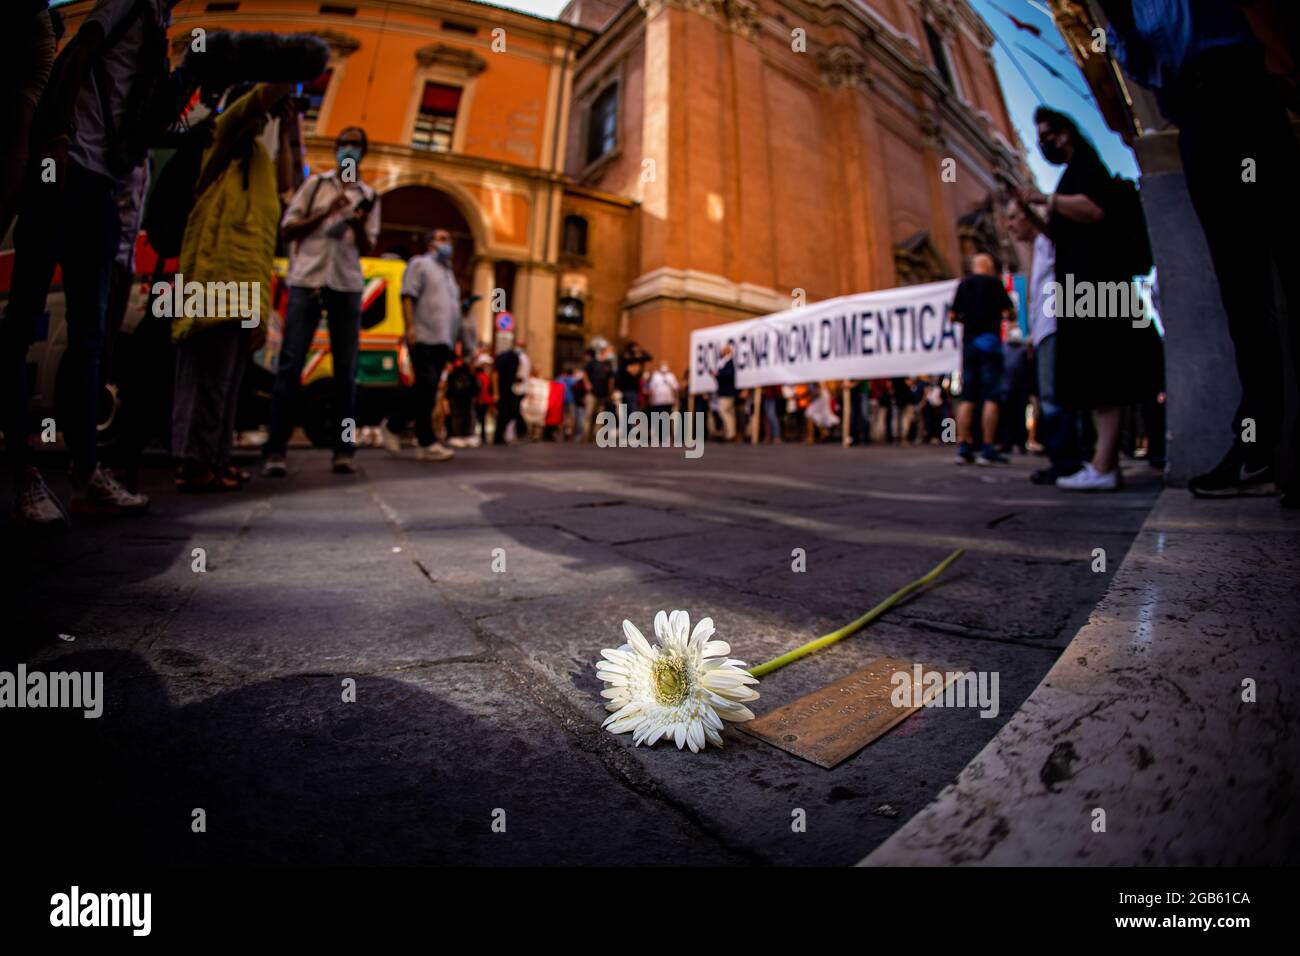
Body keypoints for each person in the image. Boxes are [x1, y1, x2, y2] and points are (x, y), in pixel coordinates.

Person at [1101, 0, 1300, 504]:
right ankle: (1257, 444)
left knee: (1288, 267)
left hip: (1245, 93)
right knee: (1241, 289)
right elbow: (1144, 68)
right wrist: (1120, 22)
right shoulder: (1132, 10)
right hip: (1195, 116)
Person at [3, 0, 181, 525]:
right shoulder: (130, 3)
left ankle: (85, 475)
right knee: (22, 325)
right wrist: (57, 138)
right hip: (64, 173)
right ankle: (25, 473)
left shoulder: (162, 26)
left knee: (89, 341)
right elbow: (79, 53)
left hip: (99, 185)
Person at [1019, 107, 1159, 492]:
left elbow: (1093, 211)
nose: (1047, 142)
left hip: (1095, 287)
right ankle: (1104, 461)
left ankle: (1104, 465)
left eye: (1051, 133)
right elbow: (1066, 231)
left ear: (1067, 132)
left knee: (1106, 376)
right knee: (1102, 379)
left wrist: (1045, 198)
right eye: (1041, 136)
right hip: (1086, 288)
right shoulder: (1075, 171)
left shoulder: (1086, 167)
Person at [172, 82, 291, 492]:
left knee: (228, 379)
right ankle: (192, 462)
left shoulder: (258, 156)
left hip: (246, 277)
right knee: (206, 374)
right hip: (213, 272)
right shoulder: (219, 135)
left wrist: (291, 126)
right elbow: (249, 107)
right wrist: (285, 72)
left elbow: (286, 184)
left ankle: (216, 459)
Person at [264, 125, 380, 476]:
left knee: (346, 372)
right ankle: (275, 450)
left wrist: (357, 222)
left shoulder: (370, 196)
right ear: (336, 150)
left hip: (346, 284)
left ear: (363, 152)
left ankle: (344, 449)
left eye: (356, 145)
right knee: (290, 365)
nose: (349, 150)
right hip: (307, 279)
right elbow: (288, 229)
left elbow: (368, 247)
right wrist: (327, 211)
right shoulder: (314, 186)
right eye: (344, 143)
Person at [1007, 197, 1081, 485]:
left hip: (1054, 326)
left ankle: (1066, 461)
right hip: (1044, 330)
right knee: (1050, 396)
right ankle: (1066, 458)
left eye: (1014, 217)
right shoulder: (1038, 248)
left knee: (1054, 397)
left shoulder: (1048, 241)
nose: (1010, 225)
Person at [379, 229, 459, 462]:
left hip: (443, 340)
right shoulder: (419, 264)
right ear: (430, 243)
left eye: (449, 239)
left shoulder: (448, 273)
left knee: (428, 389)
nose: (447, 243)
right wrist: (410, 327)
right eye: (442, 238)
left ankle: (397, 427)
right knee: (426, 386)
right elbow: (407, 295)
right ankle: (424, 440)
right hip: (424, 335)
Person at [949, 253, 1013, 465]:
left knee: (968, 397)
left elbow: (952, 316)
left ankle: (964, 446)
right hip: (989, 342)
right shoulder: (995, 284)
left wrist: (967, 319)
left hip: (969, 343)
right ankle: (987, 448)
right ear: (989, 266)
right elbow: (1010, 312)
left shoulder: (963, 285)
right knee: (991, 397)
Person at [581, 347, 611, 442]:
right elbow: (584, 373)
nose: (610, 354)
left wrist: (610, 391)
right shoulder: (593, 362)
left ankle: (596, 436)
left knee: (600, 416)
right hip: (592, 393)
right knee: (589, 414)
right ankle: (586, 436)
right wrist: (587, 383)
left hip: (603, 394)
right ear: (604, 352)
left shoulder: (608, 364)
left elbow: (611, 378)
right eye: (609, 352)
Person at [616, 340, 651, 414]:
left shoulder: (627, 359)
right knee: (631, 413)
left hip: (630, 390)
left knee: (628, 413)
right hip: (630, 390)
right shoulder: (629, 360)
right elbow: (633, 371)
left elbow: (648, 357)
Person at [715, 345, 738, 441]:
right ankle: (730, 432)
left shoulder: (729, 363)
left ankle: (730, 433)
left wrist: (719, 375)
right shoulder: (725, 362)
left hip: (726, 392)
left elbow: (728, 375)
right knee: (729, 412)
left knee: (723, 411)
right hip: (726, 392)